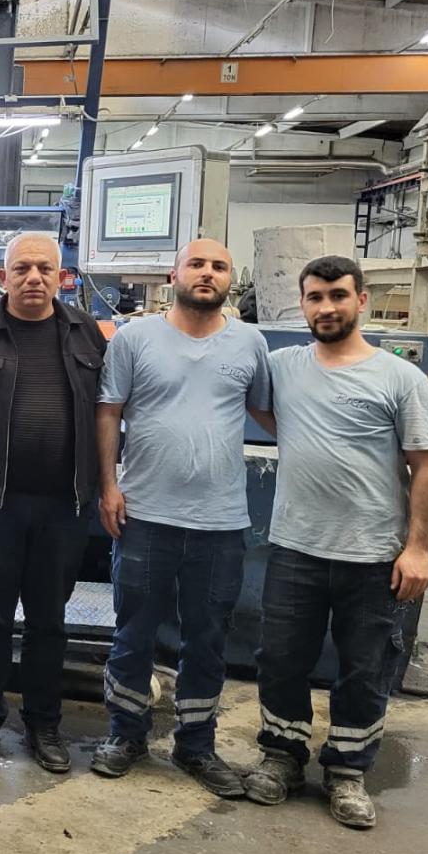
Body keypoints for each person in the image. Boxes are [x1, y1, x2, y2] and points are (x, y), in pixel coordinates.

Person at [244, 255, 428, 829]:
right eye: (315, 297)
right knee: (280, 658)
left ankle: (348, 770)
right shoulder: (283, 366)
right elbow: (262, 409)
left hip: (374, 555)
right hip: (295, 548)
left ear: (361, 300)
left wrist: (419, 549)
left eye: (337, 295)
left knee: (365, 667)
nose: (326, 307)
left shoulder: (400, 378)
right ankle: (282, 756)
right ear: (302, 304)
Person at [91, 238, 272, 797]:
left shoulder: (250, 342)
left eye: (219, 266)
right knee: (134, 630)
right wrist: (109, 486)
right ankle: (126, 735)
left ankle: (196, 745)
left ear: (230, 280)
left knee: (208, 637)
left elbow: (269, 411)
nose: (207, 273)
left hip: (220, 522)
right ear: (174, 275)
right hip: (145, 514)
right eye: (196, 264)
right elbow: (108, 411)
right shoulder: (135, 337)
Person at [0, 232, 107, 773]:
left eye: (45, 269)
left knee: (49, 622)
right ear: (3, 276)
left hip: (64, 505)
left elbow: (107, 413)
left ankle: (43, 724)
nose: (34, 277)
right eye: (23, 268)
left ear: (61, 277)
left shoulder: (86, 333)